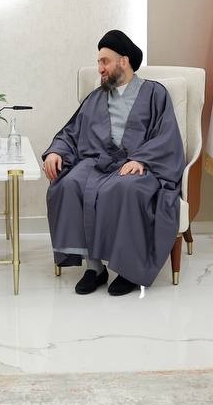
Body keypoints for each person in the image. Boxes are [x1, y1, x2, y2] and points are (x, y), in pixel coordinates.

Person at [43, 30, 185, 296]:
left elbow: (167, 136)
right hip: (96, 163)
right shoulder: (95, 97)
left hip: (138, 164)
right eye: (98, 62)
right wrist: (56, 152)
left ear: (124, 61)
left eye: (104, 61)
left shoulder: (155, 93)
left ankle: (128, 270)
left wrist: (141, 159)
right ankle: (94, 268)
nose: (100, 68)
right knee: (68, 184)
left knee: (125, 189)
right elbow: (71, 132)